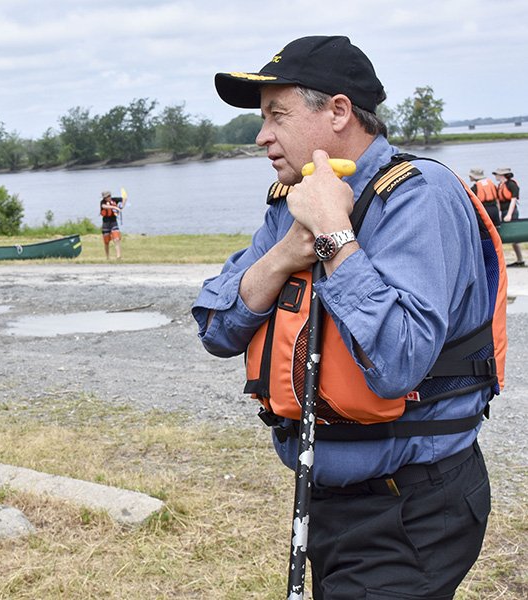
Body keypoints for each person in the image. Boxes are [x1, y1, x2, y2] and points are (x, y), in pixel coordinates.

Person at [193, 36, 497, 598]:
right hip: (329, 496)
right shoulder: (295, 199)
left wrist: (335, 236)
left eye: (276, 115)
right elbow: (216, 328)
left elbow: (400, 362)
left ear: (337, 110)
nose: (262, 136)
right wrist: (286, 253)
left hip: (411, 504)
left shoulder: (418, 197)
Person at [494, 167, 523, 266]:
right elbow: (498, 203)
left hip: (512, 212)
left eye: (497, 174)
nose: (496, 176)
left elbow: (513, 200)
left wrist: (509, 214)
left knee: (514, 237)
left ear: (502, 175)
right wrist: (499, 215)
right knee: (508, 238)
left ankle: (520, 259)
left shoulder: (511, 184)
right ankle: (518, 259)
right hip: (504, 212)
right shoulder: (500, 185)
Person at [100, 190, 122, 259]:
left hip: (113, 222)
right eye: (106, 197)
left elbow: (123, 199)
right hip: (106, 223)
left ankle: (118, 256)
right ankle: (107, 257)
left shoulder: (115, 200)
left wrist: (121, 206)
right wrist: (115, 207)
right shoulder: (102, 202)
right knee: (106, 241)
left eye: (109, 196)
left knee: (116, 239)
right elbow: (104, 206)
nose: (108, 198)